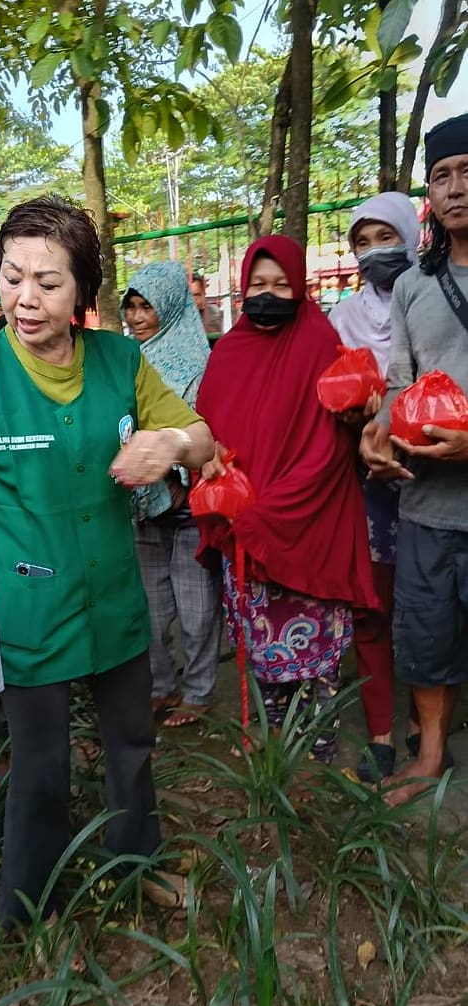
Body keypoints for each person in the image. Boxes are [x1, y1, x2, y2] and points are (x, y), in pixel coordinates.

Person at [0, 195, 215, 925]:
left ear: (83, 290)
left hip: (114, 595)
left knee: (130, 743)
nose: (25, 298)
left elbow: (200, 436)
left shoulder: (122, 360)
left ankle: (136, 861)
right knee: (40, 763)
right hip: (27, 603)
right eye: (11, 275)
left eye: (48, 282)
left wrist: (172, 445)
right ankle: (27, 906)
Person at [196, 235, 378, 763]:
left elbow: (330, 451)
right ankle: (276, 767)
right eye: (257, 285)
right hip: (246, 537)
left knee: (315, 674)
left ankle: (316, 769)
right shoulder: (228, 351)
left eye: (281, 285)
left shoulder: (321, 342)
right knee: (264, 669)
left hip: (309, 529)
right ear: (242, 286)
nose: (268, 295)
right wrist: (214, 469)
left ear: (299, 286)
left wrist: (269, 515)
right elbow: (206, 432)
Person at [361, 114, 468, 805]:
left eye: (467, 171)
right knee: (426, 637)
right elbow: (399, 382)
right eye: (442, 176)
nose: (455, 187)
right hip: (427, 502)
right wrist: (374, 434)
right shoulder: (412, 286)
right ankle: (429, 753)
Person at [329, 192, 421, 782]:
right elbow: (332, 394)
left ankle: (423, 720)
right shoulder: (343, 319)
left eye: (384, 238)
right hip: (368, 484)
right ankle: (383, 728)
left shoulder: (434, 301)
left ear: (410, 236)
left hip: (433, 479)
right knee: (374, 607)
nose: (372, 253)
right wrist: (356, 416)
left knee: (427, 608)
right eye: (361, 243)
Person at [122, 261, 221, 727]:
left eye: (148, 307)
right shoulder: (125, 363)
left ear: (172, 307)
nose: (139, 318)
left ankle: (199, 690)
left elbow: (210, 431)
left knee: (197, 609)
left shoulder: (201, 364)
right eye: (133, 307)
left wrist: (179, 474)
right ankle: (161, 686)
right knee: (150, 607)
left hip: (189, 507)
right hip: (141, 504)